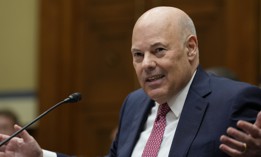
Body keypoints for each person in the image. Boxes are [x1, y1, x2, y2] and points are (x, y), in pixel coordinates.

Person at [0, 6, 261, 157]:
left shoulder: (233, 101)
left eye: (159, 50)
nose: (146, 63)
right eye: (138, 54)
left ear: (191, 48)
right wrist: (42, 156)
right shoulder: (134, 104)